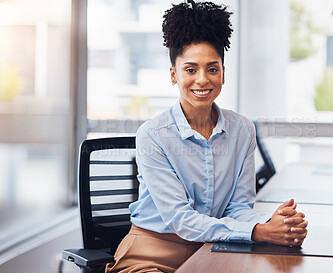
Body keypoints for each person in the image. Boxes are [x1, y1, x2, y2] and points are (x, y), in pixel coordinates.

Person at [106, 1, 307, 272]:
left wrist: (275, 224)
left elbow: (238, 207)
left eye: (212, 69)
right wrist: (257, 232)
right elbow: (181, 219)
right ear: (173, 75)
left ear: (223, 73)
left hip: (214, 248)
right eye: (190, 70)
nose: (202, 79)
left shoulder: (242, 130)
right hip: (153, 251)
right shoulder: (152, 135)